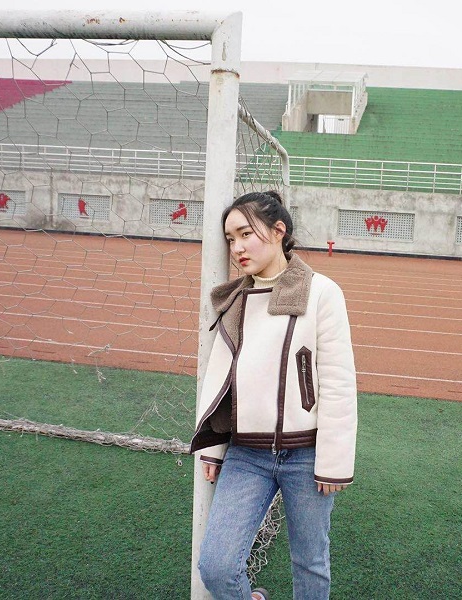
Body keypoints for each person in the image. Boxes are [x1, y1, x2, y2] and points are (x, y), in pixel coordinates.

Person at [191, 190, 358, 600]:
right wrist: (212, 447)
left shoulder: (321, 292)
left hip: (307, 455)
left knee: (310, 563)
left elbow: (338, 380)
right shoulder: (234, 298)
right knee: (216, 566)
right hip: (247, 454)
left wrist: (334, 462)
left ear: (278, 230)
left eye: (246, 234)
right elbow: (221, 377)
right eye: (230, 238)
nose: (237, 247)